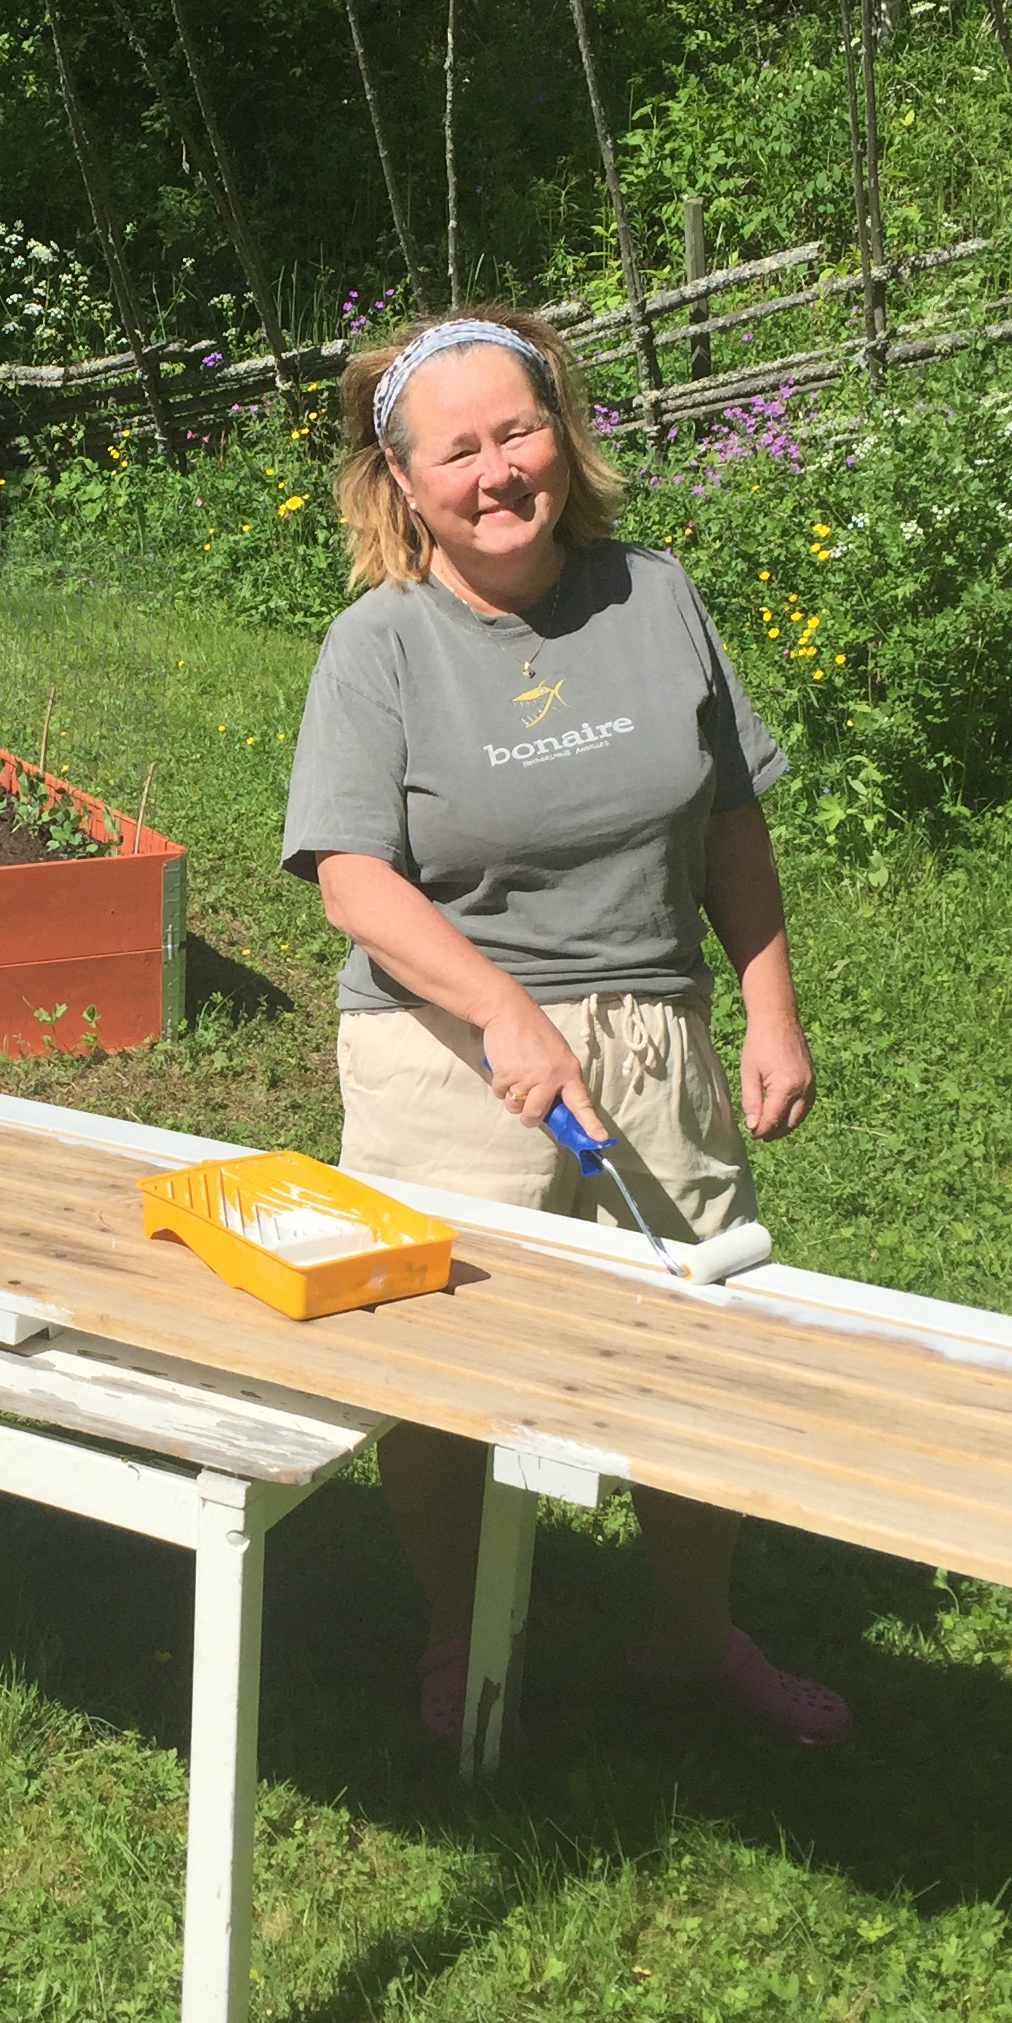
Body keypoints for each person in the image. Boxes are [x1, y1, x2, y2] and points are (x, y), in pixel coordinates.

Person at [278, 306, 851, 1748]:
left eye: (518, 432)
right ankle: (460, 1630)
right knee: (439, 1359)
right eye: (456, 451)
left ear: (564, 436)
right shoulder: (377, 646)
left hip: (654, 1030)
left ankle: (694, 1639)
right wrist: (502, 1010)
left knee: (695, 1342)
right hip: (448, 1051)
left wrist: (769, 1006)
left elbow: (731, 816)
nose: (497, 473)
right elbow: (351, 879)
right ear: (402, 482)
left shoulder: (654, 596)